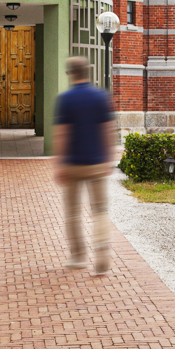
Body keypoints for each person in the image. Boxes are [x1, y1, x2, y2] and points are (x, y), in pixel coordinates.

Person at [54, 56, 115, 274]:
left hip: (73, 165)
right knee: (99, 211)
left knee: (72, 212)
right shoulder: (100, 97)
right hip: (96, 163)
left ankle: (78, 257)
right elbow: (108, 129)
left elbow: (62, 134)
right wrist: (109, 158)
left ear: (71, 74)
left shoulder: (65, 99)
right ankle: (102, 257)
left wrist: (59, 163)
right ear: (87, 72)